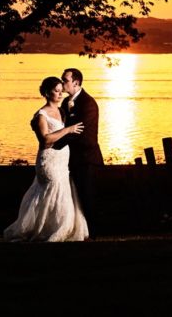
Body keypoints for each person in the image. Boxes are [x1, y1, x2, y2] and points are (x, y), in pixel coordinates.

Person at [3, 76, 89, 242]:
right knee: (51, 191)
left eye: (60, 91)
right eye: (56, 91)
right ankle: (47, 229)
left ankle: (62, 227)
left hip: (62, 161)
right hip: (48, 161)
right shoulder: (41, 115)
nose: (60, 94)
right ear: (46, 93)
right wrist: (68, 129)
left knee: (63, 192)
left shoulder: (62, 111)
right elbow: (46, 140)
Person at [58, 67, 103, 236]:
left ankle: (95, 233)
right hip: (71, 158)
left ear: (76, 83)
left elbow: (79, 132)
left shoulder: (88, 103)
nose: (62, 84)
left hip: (87, 159)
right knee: (74, 198)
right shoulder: (65, 103)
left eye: (65, 80)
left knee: (88, 197)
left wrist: (56, 143)